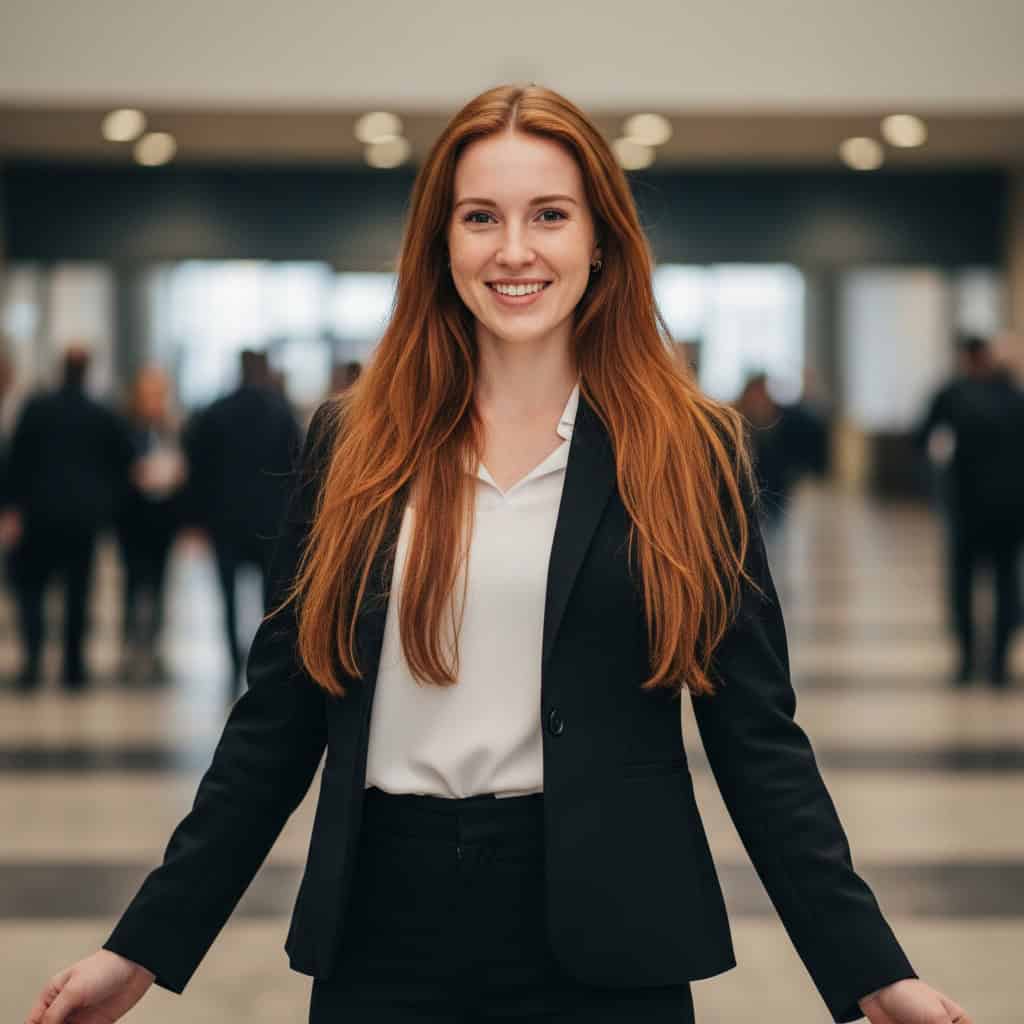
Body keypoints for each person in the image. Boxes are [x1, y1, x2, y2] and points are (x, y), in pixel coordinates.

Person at [27, 85, 971, 1024]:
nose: (513, 250)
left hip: (613, 947)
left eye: (549, 215)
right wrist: (140, 947)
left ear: (599, 240)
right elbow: (277, 721)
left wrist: (869, 972)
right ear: (441, 244)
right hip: (385, 937)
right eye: (481, 217)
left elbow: (759, 740)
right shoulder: (354, 447)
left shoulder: (688, 453)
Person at [4, 346, 134, 693]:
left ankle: (32, 663)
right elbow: (124, 464)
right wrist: (104, 504)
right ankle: (73, 668)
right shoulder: (101, 414)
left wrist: (12, 509)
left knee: (33, 591)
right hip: (82, 521)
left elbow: (15, 462)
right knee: (78, 593)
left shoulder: (36, 409)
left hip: (38, 517)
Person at [182, 349, 301, 695]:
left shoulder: (215, 413)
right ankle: (266, 667)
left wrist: (196, 519)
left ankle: (233, 664)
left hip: (226, 523)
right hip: (271, 521)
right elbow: (298, 467)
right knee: (271, 599)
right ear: (263, 370)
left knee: (228, 598)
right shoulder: (282, 413)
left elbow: (198, 471)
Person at [916, 334, 1024, 688]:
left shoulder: (953, 393)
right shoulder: (1015, 396)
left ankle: (966, 662)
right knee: (1006, 585)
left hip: (967, 508)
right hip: (1010, 510)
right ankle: (998, 665)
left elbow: (922, 437)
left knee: (963, 587)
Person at [115, 367, 188, 684]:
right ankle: (131, 647)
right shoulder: (125, 430)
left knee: (159, 585)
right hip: (133, 520)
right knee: (133, 583)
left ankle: (154, 648)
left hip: (162, 521)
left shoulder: (171, 431)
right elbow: (113, 470)